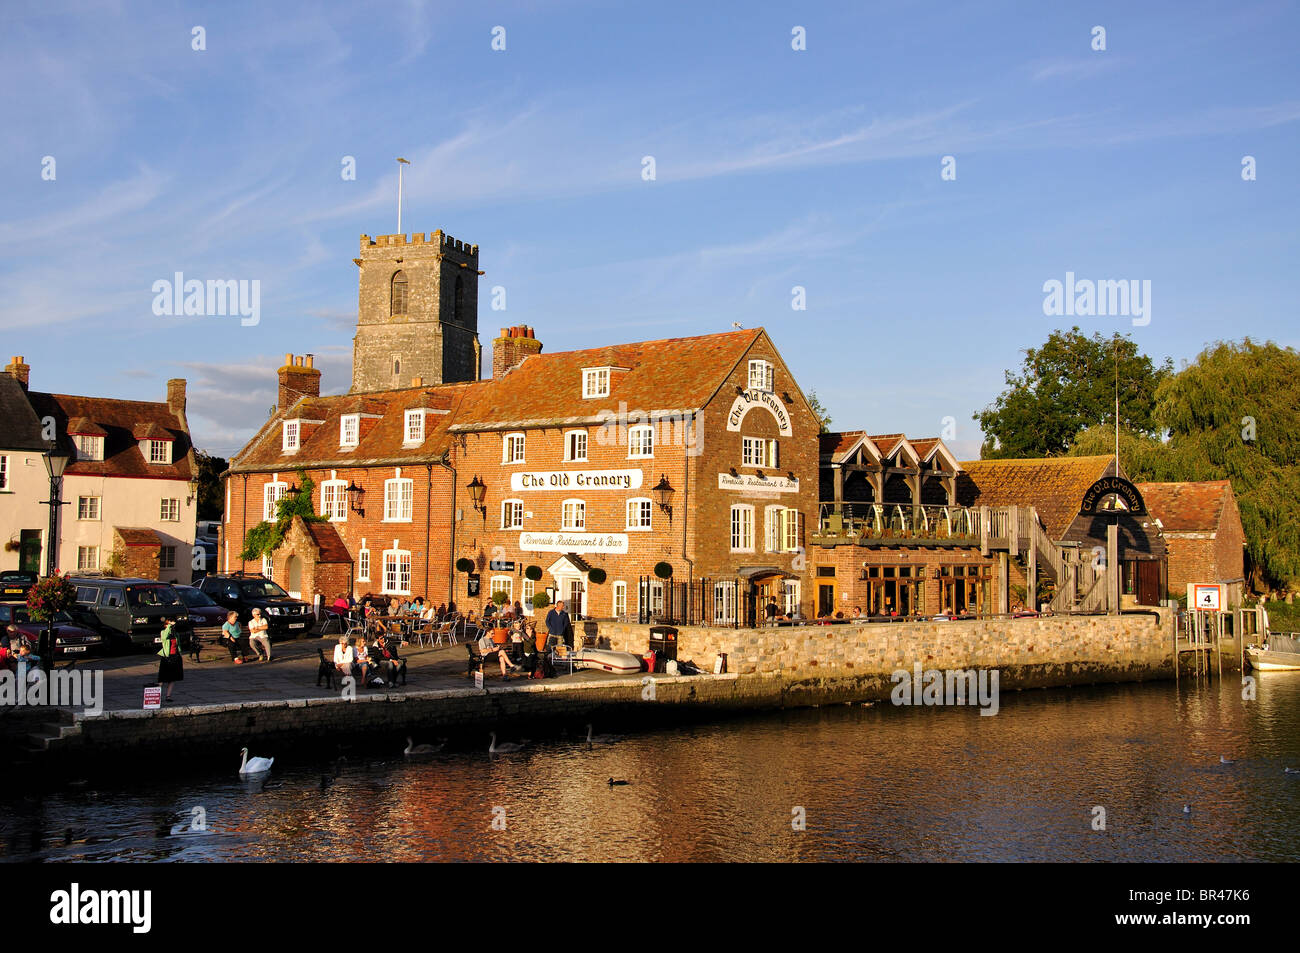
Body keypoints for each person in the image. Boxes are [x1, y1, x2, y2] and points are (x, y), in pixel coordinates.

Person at [156, 616, 183, 703]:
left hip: (175, 657)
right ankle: (157, 696)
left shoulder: (176, 634)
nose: (172, 626)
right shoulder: (163, 632)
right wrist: (168, 627)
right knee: (162, 678)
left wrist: (180, 654)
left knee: (172, 678)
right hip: (166, 658)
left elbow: (178, 645)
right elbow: (164, 638)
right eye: (169, 624)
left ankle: (168, 696)